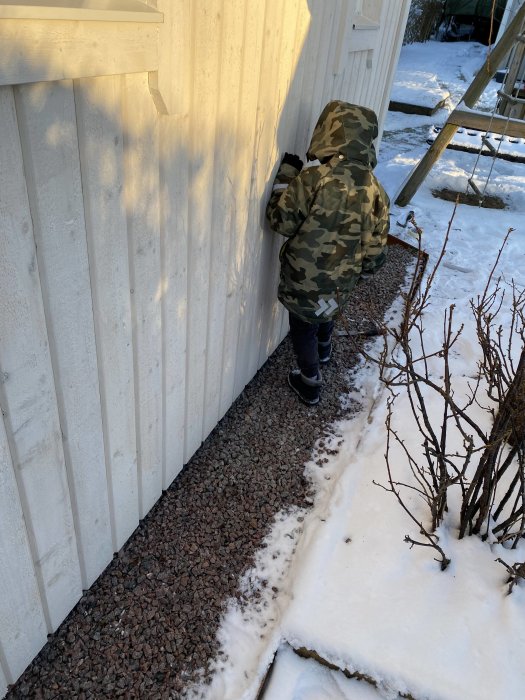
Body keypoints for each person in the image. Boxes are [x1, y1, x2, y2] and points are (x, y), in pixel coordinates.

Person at [266, 100, 390, 405]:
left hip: (304, 275)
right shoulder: (376, 191)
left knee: (302, 323)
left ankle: (310, 380)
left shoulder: (313, 179)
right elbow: (376, 245)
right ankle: (324, 349)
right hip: (342, 278)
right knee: (326, 307)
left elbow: (280, 221)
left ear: (329, 134)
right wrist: (365, 269)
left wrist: (286, 176)